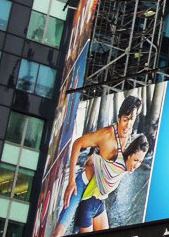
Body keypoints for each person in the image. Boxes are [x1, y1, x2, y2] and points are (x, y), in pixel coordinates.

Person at [54, 97, 142, 237]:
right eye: (125, 119)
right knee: (58, 233)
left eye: (132, 119)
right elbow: (77, 143)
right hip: (82, 185)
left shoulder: (129, 138)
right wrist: (71, 180)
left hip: (96, 195)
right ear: (119, 118)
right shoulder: (106, 135)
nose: (128, 125)